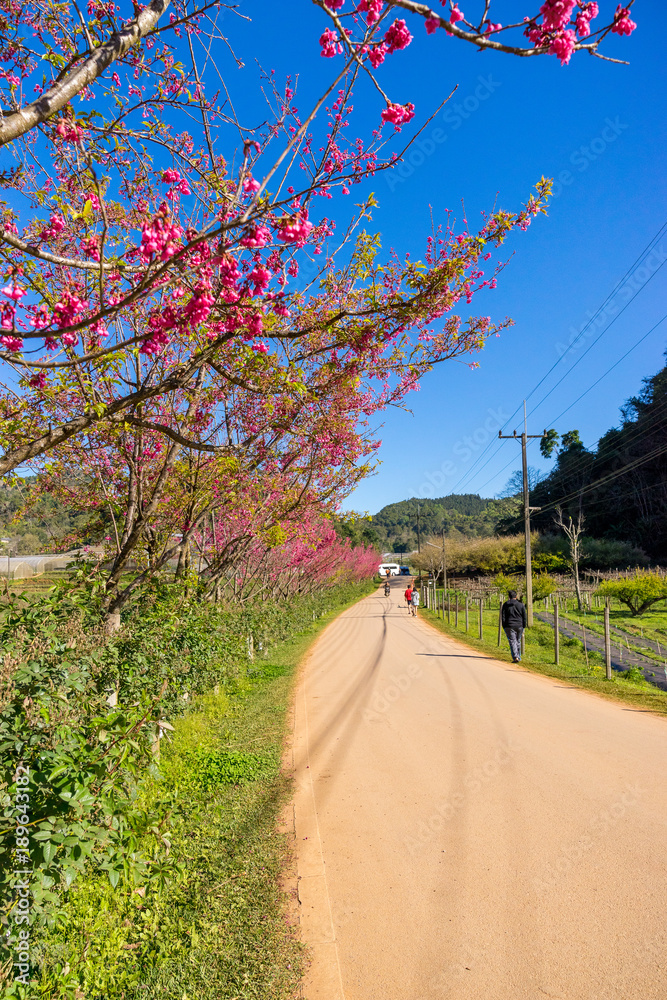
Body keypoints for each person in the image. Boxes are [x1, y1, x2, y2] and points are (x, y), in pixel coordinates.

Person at [501, 589, 527, 662]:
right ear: (516, 596)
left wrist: (504, 626)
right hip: (519, 625)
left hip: (509, 625)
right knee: (518, 641)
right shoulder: (521, 605)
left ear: (509, 596)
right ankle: (518, 656)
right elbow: (524, 616)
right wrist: (524, 626)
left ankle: (516, 657)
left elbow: (503, 617)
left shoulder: (505, 605)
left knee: (512, 641)